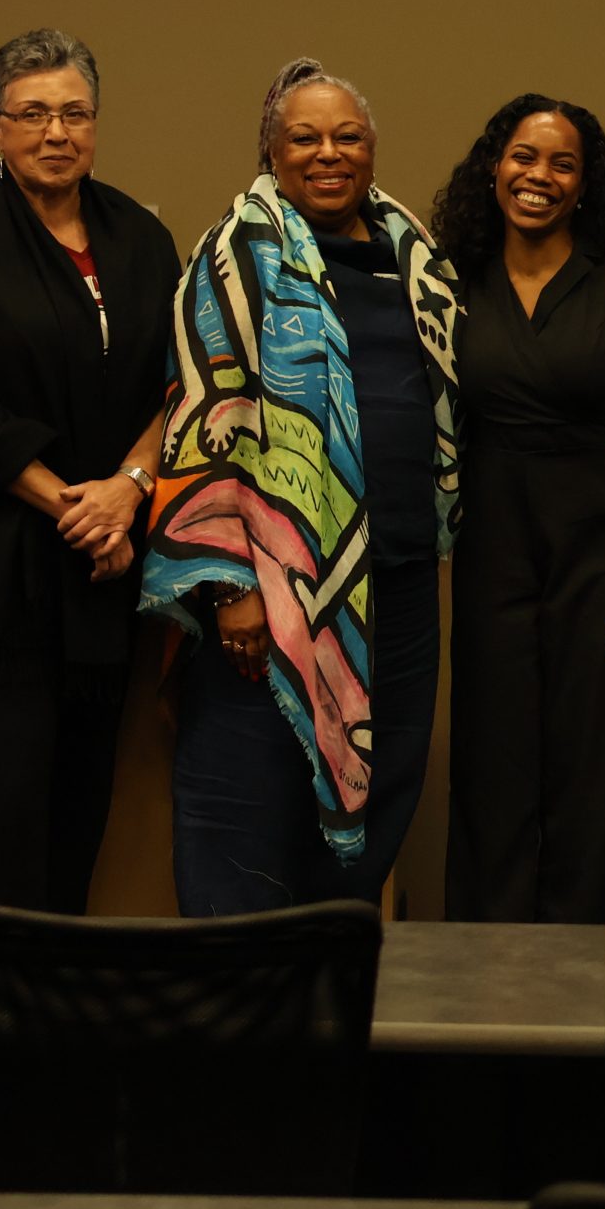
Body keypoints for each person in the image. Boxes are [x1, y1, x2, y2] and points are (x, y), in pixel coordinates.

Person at [141, 59, 461, 914]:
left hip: (391, 574)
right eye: (305, 137)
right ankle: (237, 980)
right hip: (268, 586)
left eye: (346, 136)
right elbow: (199, 419)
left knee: (385, 767)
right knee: (249, 788)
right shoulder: (232, 257)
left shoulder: (414, 257)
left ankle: (328, 962)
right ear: (272, 152)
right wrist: (231, 587)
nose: (328, 152)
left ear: (371, 149)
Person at [431, 95, 605, 922]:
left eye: (561, 163)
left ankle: (585, 957)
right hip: (491, 534)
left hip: (597, 545)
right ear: (494, 166)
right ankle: (483, 959)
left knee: (590, 760)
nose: (539, 176)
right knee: (491, 753)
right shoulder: (450, 282)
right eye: (524, 157)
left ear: (585, 183)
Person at [0, 30, 179, 913]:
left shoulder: (140, 237)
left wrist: (127, 492)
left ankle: (50, 1025)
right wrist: (73, 506)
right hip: (10, 567)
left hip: (109, 566)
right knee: (9, 808)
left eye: (74, 112)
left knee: (79, 803)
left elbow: (183, 382)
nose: (56, 131)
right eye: (32, 113)